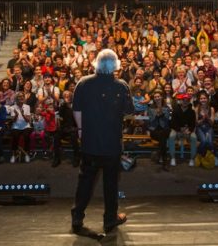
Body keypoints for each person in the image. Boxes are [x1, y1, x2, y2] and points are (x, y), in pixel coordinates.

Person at [71, 49, 134, 234]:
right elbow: (129, 112)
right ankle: (109, 219)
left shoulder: (83, 83)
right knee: (111, 183)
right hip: (112, 144)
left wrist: (81, 130)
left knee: (85, 182)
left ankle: (77, 217)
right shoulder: (121, 86)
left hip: (90, 142)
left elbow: (76, 109)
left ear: (96, 63)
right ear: (115, 65)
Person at [168, 93, 197, 167]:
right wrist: (179, 129)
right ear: (181, 101)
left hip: (187, 131)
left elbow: (193, 124)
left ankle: (192, 159)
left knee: (194, 137)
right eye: (183, 100)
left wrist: (189, 130)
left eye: (187, 100)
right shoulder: (175, 110)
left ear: (189, 101)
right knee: (171, 136)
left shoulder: (192, 112)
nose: (185, 102)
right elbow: (172, 123)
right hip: (177, 129)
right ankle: (173, 158)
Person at [149, 90, 171, 170]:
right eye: (155, 97)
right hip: (154, 130)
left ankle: (160, 155)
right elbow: (151, 120)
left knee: (163, 135)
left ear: (161, 97)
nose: (157, 98)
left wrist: (161, 113)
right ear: (154, 99)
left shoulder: (166, 107)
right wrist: (156, 115)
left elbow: (167, 120)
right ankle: (164, 159)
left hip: (164, 129)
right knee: (163, 139)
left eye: (158, 96)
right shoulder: (151, 107)